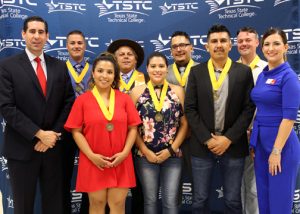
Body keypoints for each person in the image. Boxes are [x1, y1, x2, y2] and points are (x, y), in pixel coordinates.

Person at [0, 16, 75, 214]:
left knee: (55, 205)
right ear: (23, 34)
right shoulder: (7, 66)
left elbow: (68, 103)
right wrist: (39, 133)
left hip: (53, 147)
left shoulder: (59, 66)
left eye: (41, 32)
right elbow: (6, 107)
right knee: (23, 206)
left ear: (47, 36)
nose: (36, 36)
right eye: (32, 31)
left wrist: (52, 134)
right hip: (22, 148)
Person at [185, 24, 255, 213]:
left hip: (233, 145)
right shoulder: (196, 72)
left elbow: (249, 108)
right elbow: (190, 109)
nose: (219, 45)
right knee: (199, 199)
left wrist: (228, 138)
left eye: (223, 40)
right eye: (214, 41)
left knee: (233, 200)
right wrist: (207, 139)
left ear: (230, 45)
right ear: (207, 46)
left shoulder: (243, 72)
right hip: (202, 145)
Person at [64, 54, 141, 214]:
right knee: (97, 204)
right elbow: (76, 131)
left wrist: (125, 153)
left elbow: (133, 127)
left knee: (118, 204)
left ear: (114, 76)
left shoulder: (125, 99)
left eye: (109, 72)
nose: (104, 76)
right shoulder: (82, 100)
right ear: (93, 73)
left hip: (120, 160)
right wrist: (91, 155)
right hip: (93, 161)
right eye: (100, 71)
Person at [250, 27, 300, 214]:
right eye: (267, 44)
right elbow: (260, 109)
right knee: (264, 200)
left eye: (276, 44)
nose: (271, 48)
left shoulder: (289, 77)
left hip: (282, 148)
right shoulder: (263, 74)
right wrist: (255, 141)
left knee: (279, 203)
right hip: (262, 146)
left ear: (286, 47)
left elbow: (289, 118)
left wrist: (277, 151)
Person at [130, 52, 188, 214]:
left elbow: (184, 124)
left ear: (166, 69)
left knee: (170, 202)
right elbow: (132, 127)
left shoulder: (178, 91)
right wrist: (145, 151)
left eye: (161, 66)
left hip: (173, 156)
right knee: (150, 201)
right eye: (153, 66)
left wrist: (171, 150)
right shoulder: (136, 92)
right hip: (145, 156)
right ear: (147, 68)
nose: (157, 70)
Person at [107, 38, 148, 213]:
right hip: (111, 140)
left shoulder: (147, 79)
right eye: (121, 54)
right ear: (114, 59)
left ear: (136, 60)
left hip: (141, 140)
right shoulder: (106, 80)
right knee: (108, 187)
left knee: (140, 187)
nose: (125, 57)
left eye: (129, 54)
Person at [236, 26, 267, 214]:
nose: (244, 44)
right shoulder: (231, 68)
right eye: (240, 41)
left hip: (260, 134)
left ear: (257, 42)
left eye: (248, 40)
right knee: (235, 185)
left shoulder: (267, 68)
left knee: (255, 187)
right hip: (236, 136)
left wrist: (255, 129)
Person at [65, 30, 92, 214]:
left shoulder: (96, 69)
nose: (76, 46)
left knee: (91, 175)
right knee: (63, 175)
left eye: (80, 43)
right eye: (72, 43)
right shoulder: (58, 68)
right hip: (65, 128)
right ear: (67, 46)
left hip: (90, 129)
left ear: (85, 45)